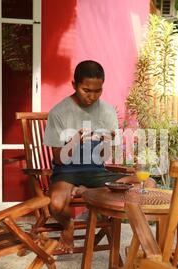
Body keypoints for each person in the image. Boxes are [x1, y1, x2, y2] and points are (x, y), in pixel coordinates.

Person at [43, 60, 153, 253]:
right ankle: (68, 225)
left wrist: (107, 142)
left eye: (98, 91)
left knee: (148, 184)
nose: (92, 96)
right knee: (56, 204)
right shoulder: (59, 112)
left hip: (96, 172)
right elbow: (59, 159)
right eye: (86, 90)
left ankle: (86, 191)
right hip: (68, 171)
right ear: (74, 85)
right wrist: (76, 139)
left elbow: (104, 157)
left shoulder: (107, 111)